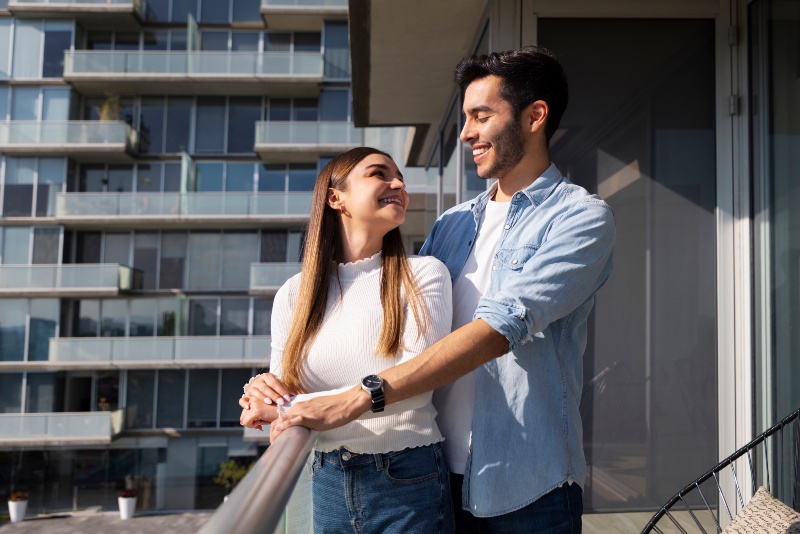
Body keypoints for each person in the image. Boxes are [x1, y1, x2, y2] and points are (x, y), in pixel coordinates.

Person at [246, 45, 615, 533]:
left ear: (535, 115)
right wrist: (276, 384)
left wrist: (357, 398)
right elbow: (385, 323)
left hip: (527, 484)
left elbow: (501, 327)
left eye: (481, 116)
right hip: (431, 476)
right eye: (465, 118)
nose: (465, 133)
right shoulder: (453, 223)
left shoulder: (581, 218)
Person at [239, 147, 455, 533]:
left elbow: (419, 385)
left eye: (400, 176)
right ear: (335, 198)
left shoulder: (423, 274)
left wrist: (286, 407)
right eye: (379, 173)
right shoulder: (295, 294)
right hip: (327, 476)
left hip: (407, 478)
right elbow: (281, 395)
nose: (398, 184)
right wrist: (261, 390)